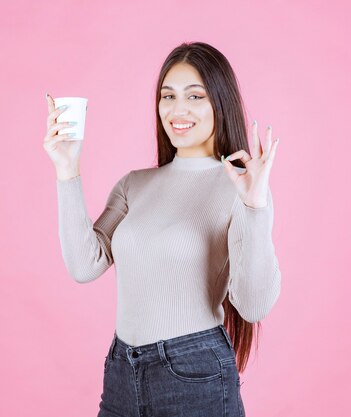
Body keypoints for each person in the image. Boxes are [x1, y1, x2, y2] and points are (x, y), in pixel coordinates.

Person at [43, 41, 281, 417]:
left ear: (220, 102)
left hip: (193, 374)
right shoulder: (134, 184)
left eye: (195, 96)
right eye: (167, 96)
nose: (177, 109)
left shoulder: (239, 186)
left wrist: (256, 207)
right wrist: (66, 168)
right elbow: (84, 265)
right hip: (122, 369)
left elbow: (253, 305)